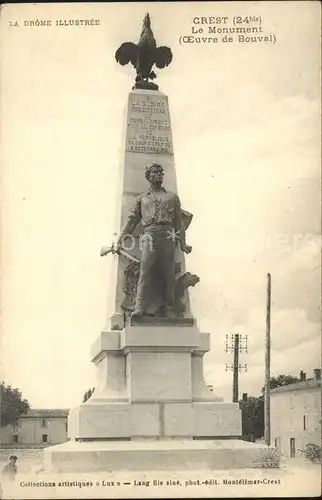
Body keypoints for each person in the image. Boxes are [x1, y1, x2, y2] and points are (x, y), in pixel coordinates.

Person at [116, 162, 191, 319]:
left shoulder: (172, 197)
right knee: (146, 271)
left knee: (169, 273)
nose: (159, 174)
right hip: (149, 235)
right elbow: (132, 220)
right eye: (155, 172)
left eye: (161, 172)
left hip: (168, 235)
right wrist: (120, 239)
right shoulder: (142, 199)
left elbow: (179, 222)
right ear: (148, 177)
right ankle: (139, 307)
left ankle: (169, 308)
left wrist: (183, 244)